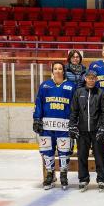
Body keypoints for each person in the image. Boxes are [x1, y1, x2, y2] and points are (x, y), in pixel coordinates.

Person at [33, 62, 76, 190]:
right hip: (47, 126)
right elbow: (39, 103)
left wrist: (74, 122)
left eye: (60, 69)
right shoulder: (45, 86)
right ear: (52, 71)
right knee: (47, 151)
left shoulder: (70, 86)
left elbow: (74, 106)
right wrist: (36, 119)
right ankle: (50, 174)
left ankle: (63, 174)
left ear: (64, 71)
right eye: (55, 69)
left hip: (64, 126)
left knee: (64, 152)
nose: (57, 71)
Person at [69, 71, 104, 192]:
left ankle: (101, 179)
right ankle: (83, 179)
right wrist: (72, 125)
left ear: (96, 79)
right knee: (82, 155)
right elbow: (74, 111)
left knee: (100, 156)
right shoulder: (79, 92)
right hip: (82, 131)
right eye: (89, 78)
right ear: (85, 78)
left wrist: (103, 127)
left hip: (97, 130)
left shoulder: (101, 93)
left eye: (93, 78)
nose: (91, 80)